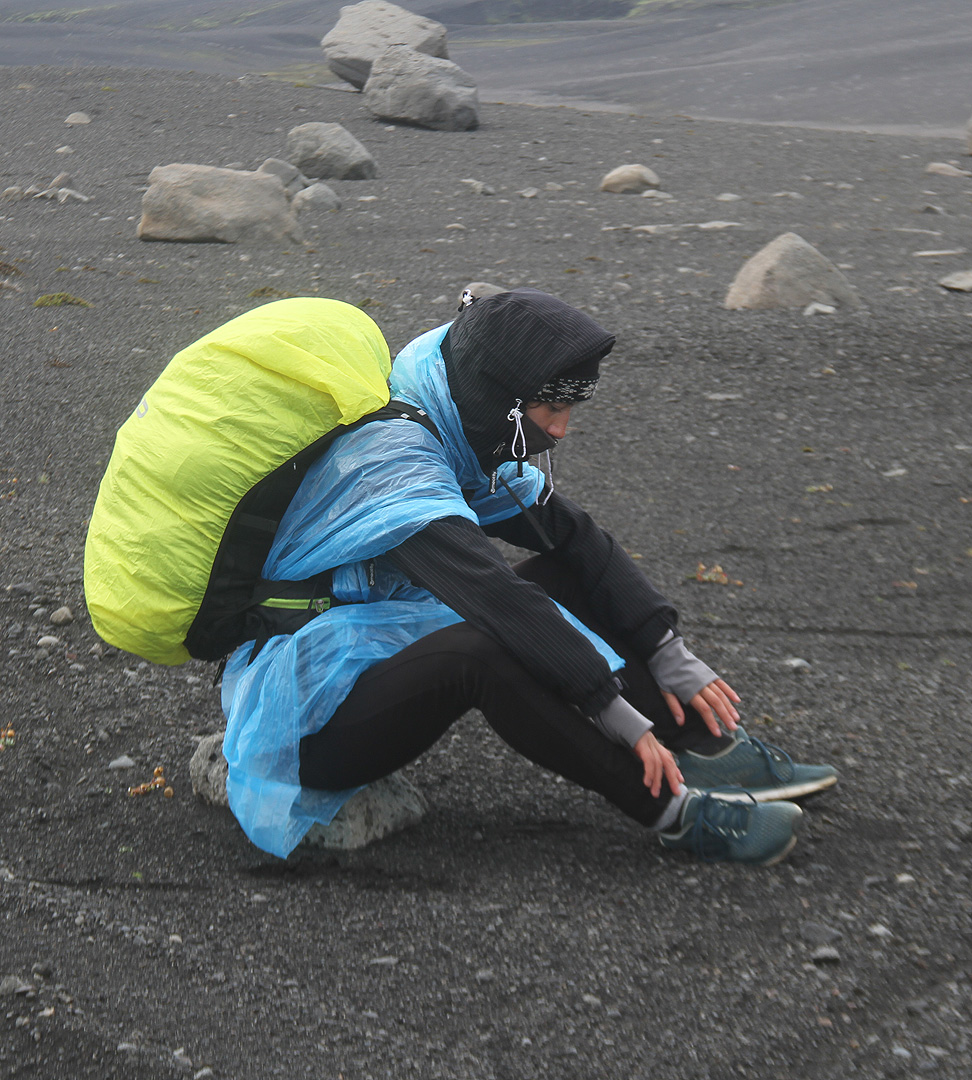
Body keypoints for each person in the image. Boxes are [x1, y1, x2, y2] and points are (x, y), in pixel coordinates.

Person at [220, 288, 837, 863]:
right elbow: (498, 599)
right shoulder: (392, 472)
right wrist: (611, 709)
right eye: (552, 408)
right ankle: (672, 811)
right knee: (483, 648)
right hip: (302, 717)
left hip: (370, 645)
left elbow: (574, 537)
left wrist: (667, 650)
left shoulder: (450, 419)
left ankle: (709, 750)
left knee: (558, 576)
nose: (561, 429)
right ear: (501, 398)